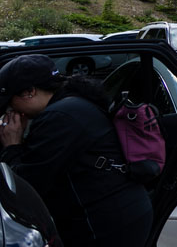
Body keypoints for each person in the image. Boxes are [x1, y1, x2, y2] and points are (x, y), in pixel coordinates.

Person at [0, 54, 153, 247]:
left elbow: (28, 185)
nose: (11, 109)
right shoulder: (74, 101)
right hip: (125, 212)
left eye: (10, 101)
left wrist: (12, 145)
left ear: (29, 92)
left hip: (107, 223)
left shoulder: (60, 117)